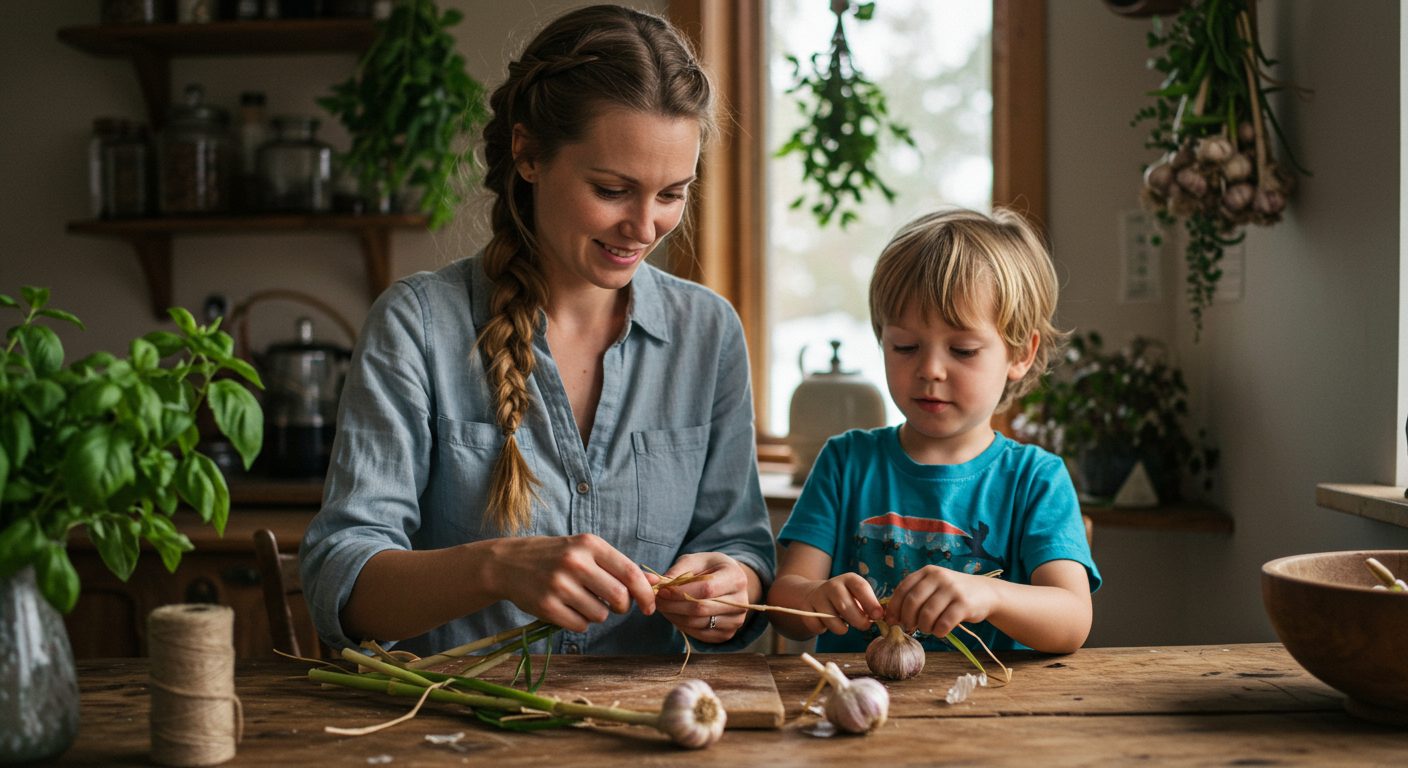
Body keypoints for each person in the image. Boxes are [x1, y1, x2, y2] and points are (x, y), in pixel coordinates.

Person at [300, 4, 775, 657]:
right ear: (527, 154)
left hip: (648, 741)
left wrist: (729, 586)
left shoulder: (708, 332)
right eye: (612, 189)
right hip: (458, 736)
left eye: (672, 193)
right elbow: (342, 581)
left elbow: (741, 545)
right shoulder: (418, 326)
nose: (645, 227)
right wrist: (497, 567)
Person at [767, 208, 1100, 655]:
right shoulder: (846, 462)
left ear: (1020, 354)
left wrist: (990, 594)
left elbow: (1071, 620)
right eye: (904, 346)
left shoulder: (1035, 479)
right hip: (861, 706)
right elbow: (785, 608)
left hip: (992, 714)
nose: (929, 370)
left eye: (962, 350)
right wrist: (814, 597)